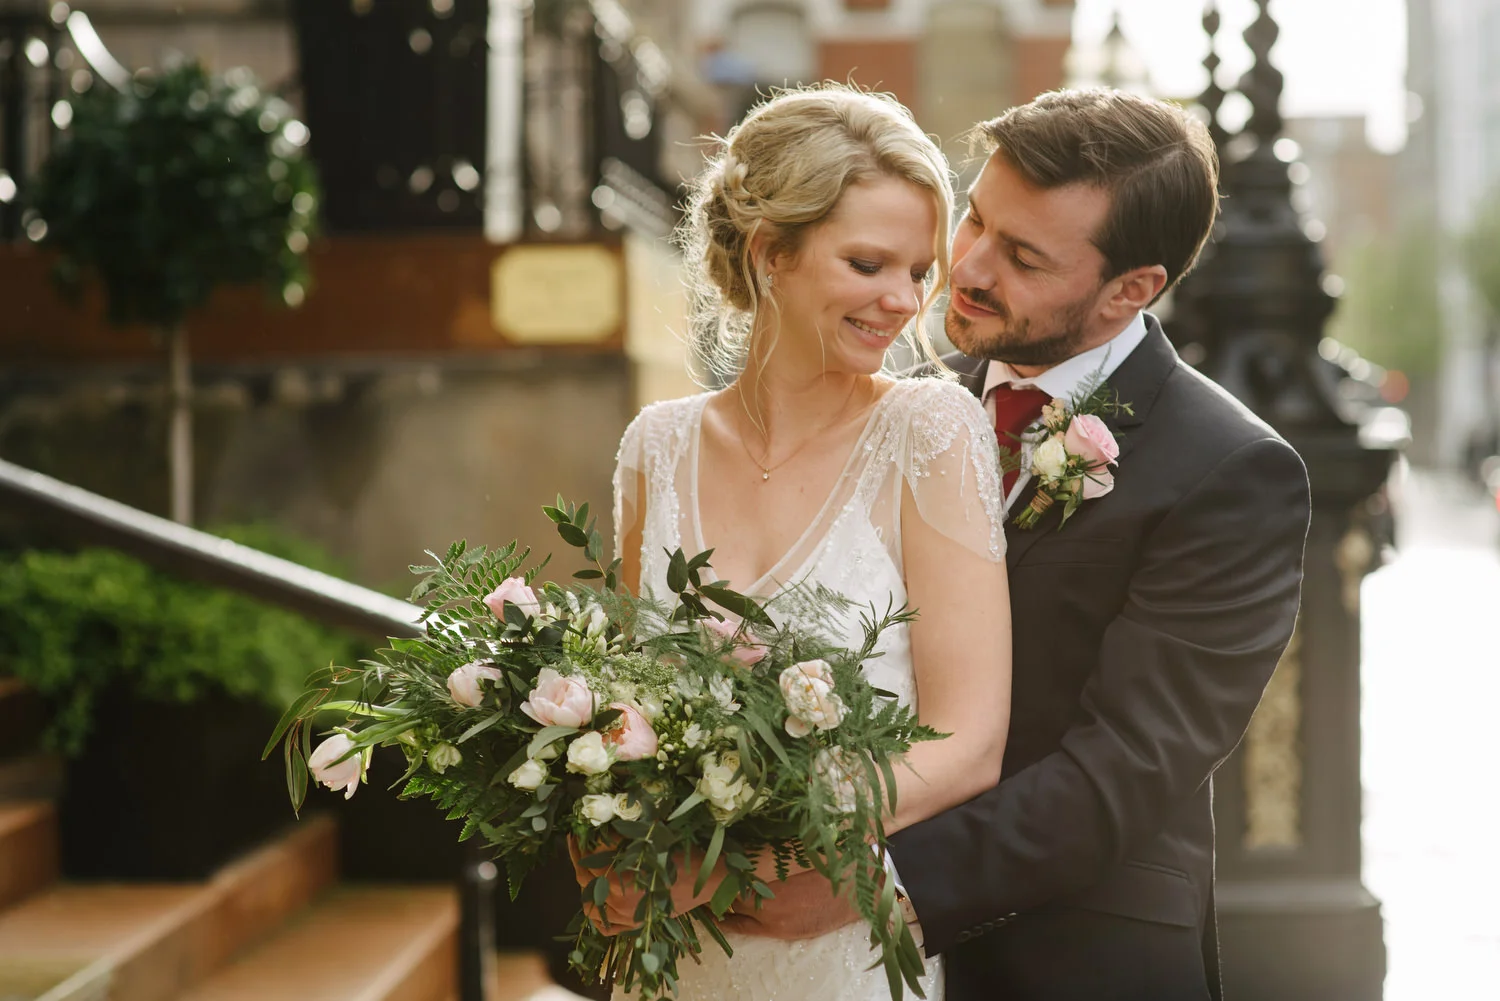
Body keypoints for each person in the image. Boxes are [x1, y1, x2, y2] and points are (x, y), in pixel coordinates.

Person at [728, 89, 1312, 1001]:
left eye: (1024, 256)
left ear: (1131, 290)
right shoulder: (895, 403)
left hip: (1074, 963)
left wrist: (867, 885)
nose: (966, 266)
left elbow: (1126, 767)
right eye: (976, 219)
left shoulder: (1231, 471)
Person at [584, 83, 1014, 1001]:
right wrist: (606, 832)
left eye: (918, 271)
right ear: (770, 252)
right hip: (676, 950)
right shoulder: (655, 447)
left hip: (836, 944)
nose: (902, 300)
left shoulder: (931, 430)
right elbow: (628, 709)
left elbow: (970, 741)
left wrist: (760, 850)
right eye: (867, 263)